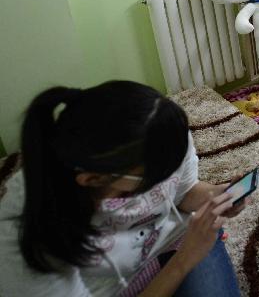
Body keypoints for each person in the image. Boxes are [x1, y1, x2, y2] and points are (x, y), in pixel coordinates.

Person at [0, 81, 245, 296]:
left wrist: (217, 196)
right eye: (153, 179)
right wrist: (184, 260)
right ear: (93, 179)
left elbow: (184, 191)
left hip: (175, 242)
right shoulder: (30, 232)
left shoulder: (163, 137)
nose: (165, 179)